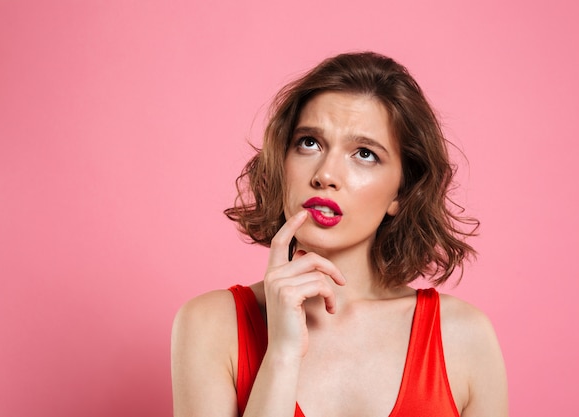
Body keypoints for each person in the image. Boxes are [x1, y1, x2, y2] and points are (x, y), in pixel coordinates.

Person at [171, 51, 508, 417]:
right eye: (309, 143)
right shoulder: (210, 325)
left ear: (400, 192)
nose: (326, 174)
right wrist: (282, 354)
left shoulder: (464, 338)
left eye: (364, 153)